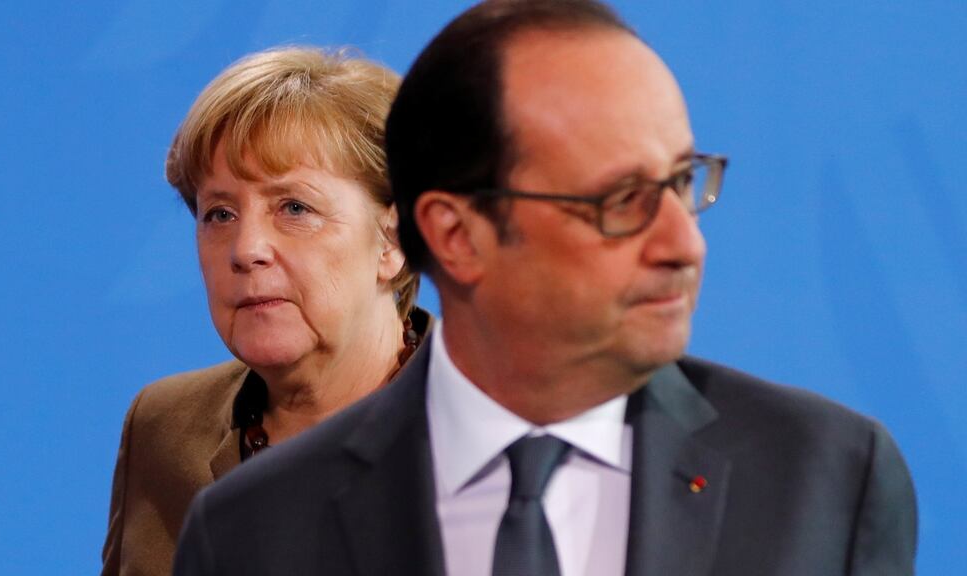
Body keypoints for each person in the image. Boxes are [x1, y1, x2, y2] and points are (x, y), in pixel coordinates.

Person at [173, 1, 918, 575]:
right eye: (619, 200)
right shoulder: (250, 530)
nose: (684, 243)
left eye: (683, 184)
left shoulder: (826, 476)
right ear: (457, 236)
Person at [101, 47, 428, 576]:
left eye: (294, 208)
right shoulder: (162, 427)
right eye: (220, 213)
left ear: (393, 241)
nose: (245, 248)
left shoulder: (504, 429)